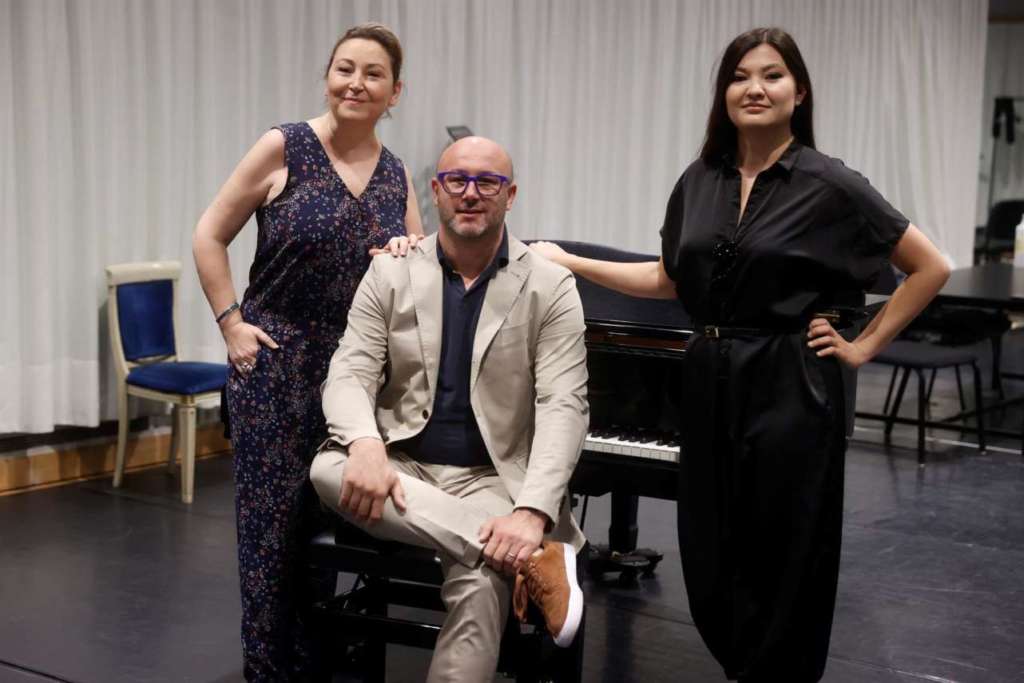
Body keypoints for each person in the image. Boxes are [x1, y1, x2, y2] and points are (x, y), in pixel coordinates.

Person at [531, 27, 950, 682]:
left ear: (799, 91)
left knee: (783, 558)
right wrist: (570, 259)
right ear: (724, 92)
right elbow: (670, 279)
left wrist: (864, 343)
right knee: (709, 550)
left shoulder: (829, 182)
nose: (754, 87)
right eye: (740, 76)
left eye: (772, 75)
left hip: (791, 382)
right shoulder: (700, 179)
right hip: (708, 373)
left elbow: (930, 266)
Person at [309, 136, 588, 682]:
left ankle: (512, 547)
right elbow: (350, 371)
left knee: (482, 579)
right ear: (435, 191)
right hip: (400, 466)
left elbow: (565, 405)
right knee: (328, 466)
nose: (470, 193)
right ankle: (530, 559)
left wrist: (531, 513)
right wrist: (366, 443)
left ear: (510, 196)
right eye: (457, 180)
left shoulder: (550, 286)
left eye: (487, 182)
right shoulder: (389, 272)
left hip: (490, 475)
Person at [192, 23, 422, 681]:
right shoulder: (284, 145)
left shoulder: (397, 173)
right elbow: (209, 234)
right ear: (328, 75)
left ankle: (313, 660)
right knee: (272, 540)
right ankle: (267, 670)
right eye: (344, 68)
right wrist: (232, 323)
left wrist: (408, 254)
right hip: (276, 369)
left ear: (394, 92)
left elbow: (416, 275)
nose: (356, 83)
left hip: (354, 379)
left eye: (372, 74)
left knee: (328, 538)